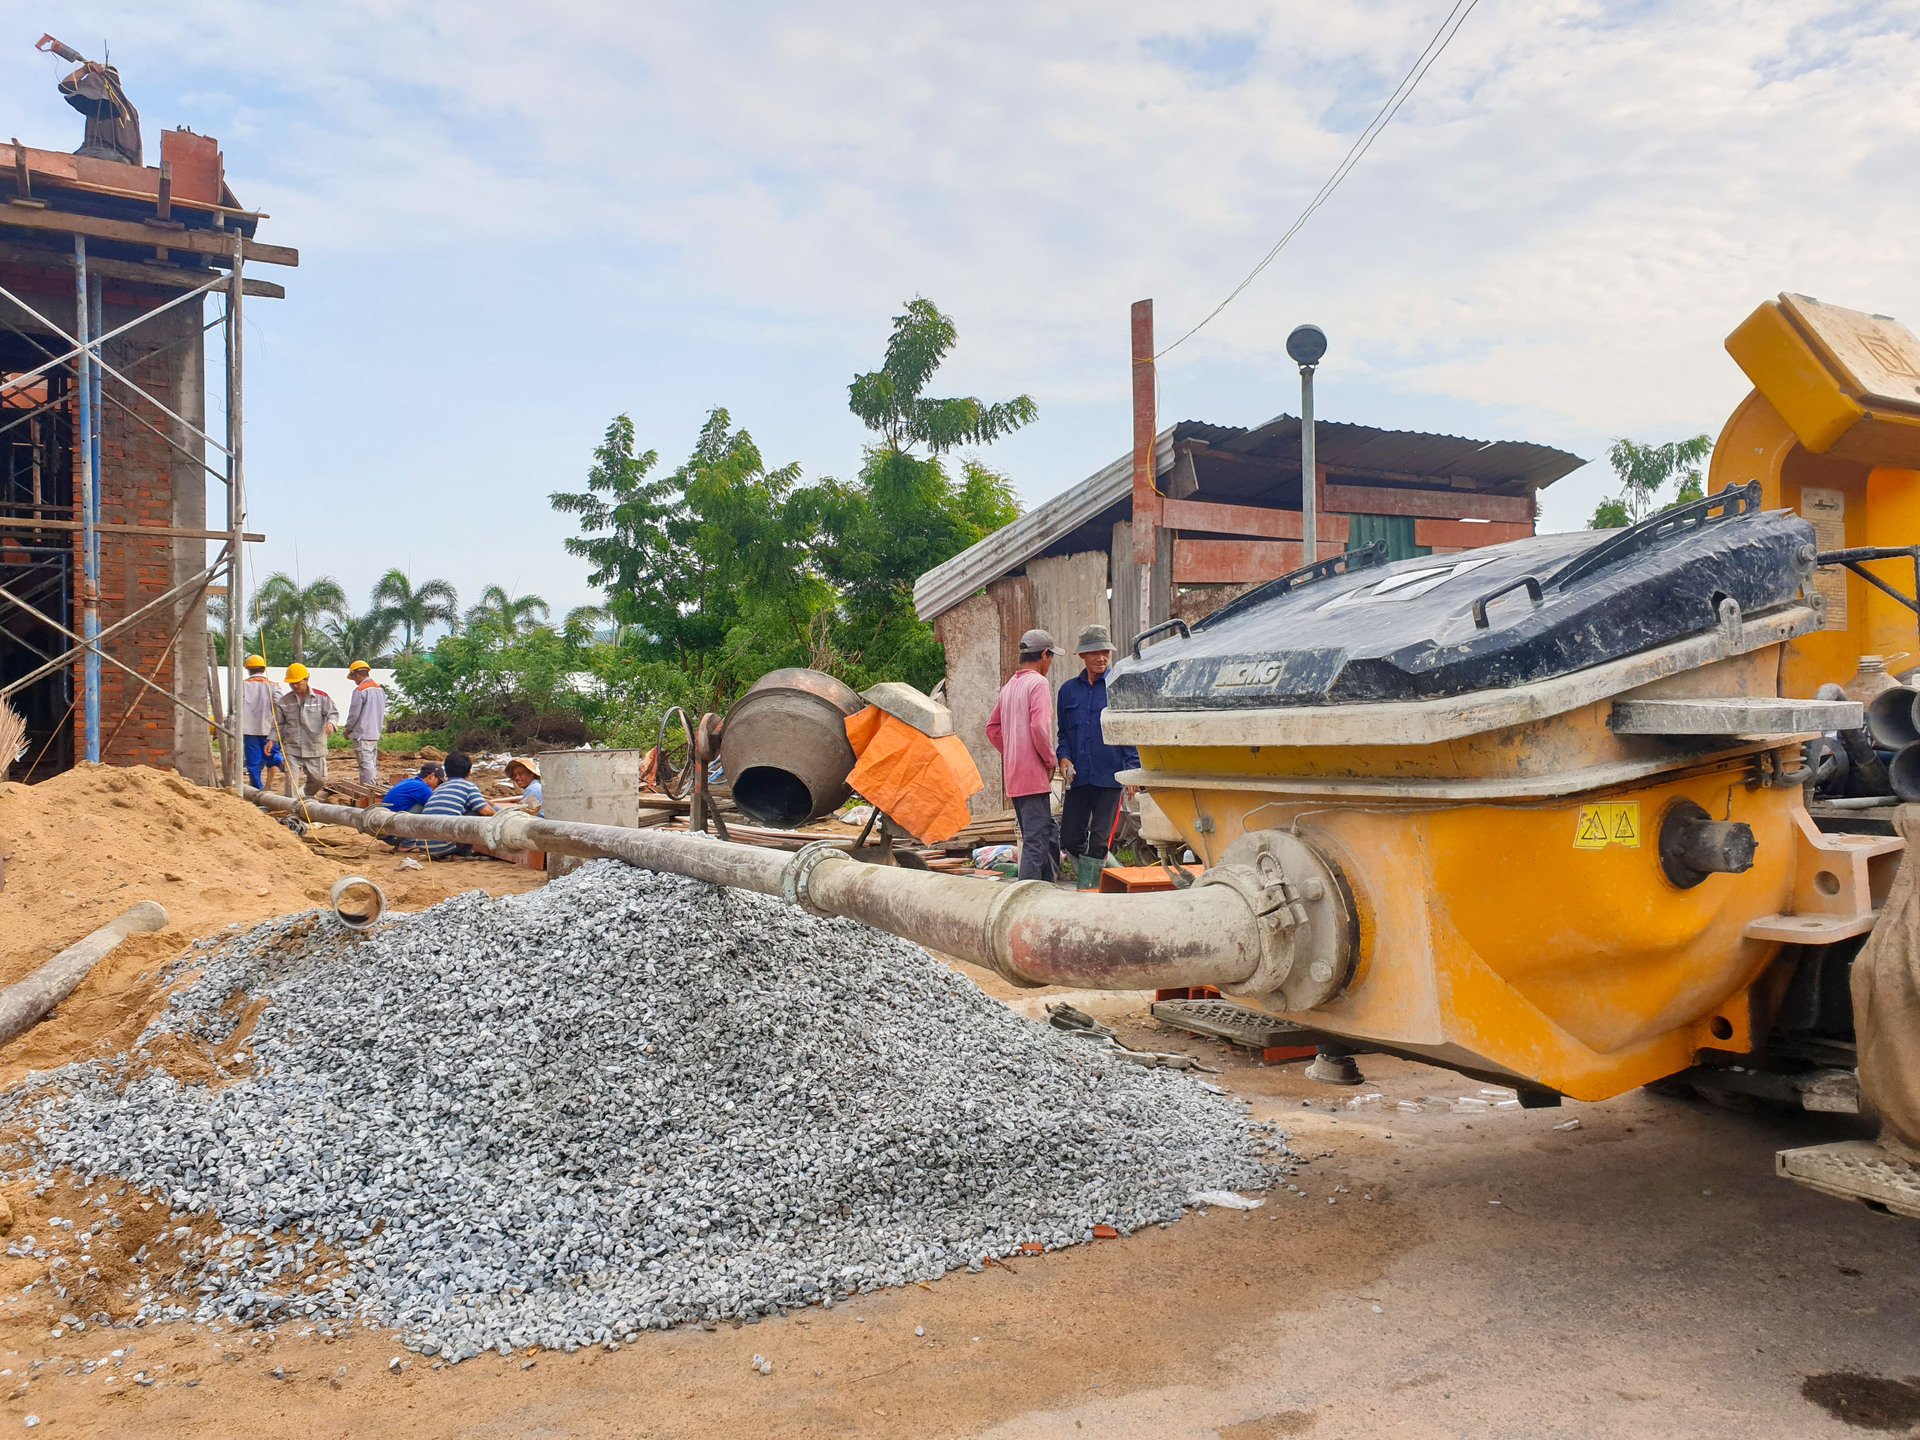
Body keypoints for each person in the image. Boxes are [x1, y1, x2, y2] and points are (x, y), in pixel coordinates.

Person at [1055, 624, 1140, 890]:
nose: (1101, 658)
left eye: (1105, 652)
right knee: (1069, 838)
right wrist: (1063, 757)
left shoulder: (1119, 688)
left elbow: (1129, 731)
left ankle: (1090, 891)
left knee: (1100, 841)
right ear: (1082, 655)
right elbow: (1063, 734)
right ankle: (1112, 874)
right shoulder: (1068, 691)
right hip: (1079, 778)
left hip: (1110, 777)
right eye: (1094, 652)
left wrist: (1133, 770)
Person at [986, 627, 1062, 882]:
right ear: (1044, 654)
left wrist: (1014, 751)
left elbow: (992, 729)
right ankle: (1026, 893)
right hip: (1033, 776)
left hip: (1016, 776)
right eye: (1051, 658)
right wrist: (1050, 760)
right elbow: (1040, 727)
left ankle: (1046, 887)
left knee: (1047, 832)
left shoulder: (1009, 687)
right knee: (1034, 840)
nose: (1050, 664)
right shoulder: (1038, 683)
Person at [273, 662, 338, 798]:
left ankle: (305, 794)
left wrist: (331, 724)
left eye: (298, 682)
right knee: (291, 781)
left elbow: (333, 713)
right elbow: (278, 724)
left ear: (306, 679)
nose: (295, 686)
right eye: (292, 683)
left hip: (315, 746)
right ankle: (291, 806)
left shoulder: (322, 697)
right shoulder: (284, 701)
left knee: (319, 779)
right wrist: (271, 740)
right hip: (292, 747)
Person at [419, 751, 495, 858]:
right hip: (444, 847)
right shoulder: (468, 786)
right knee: (474, 814)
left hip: (425, 846)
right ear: (469, 772)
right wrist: (499, 812)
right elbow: (486, 811)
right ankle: (463, 852)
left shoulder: (438, 789)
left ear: (446, 772)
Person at [237, 654, 284, 790]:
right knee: (273, 755)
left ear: (248, 669)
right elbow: (281, 705)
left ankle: (258, 790)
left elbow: (236, 705)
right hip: (269, 730)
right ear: (264, 668)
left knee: (253, 764)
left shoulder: (242, 685)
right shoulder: (273, 686)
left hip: (249, 730)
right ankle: (282, 763)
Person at [343, 660, 387, 787]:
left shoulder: (360, 690)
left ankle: (369, 790)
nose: (355, 681)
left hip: (362, 734)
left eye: (354, 678)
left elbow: (354, 714)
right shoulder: (379, 690)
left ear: (357, 675)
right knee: (371, 763)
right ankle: (370, 788)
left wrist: (347, 729)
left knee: (365, 765)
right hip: (375, 733)